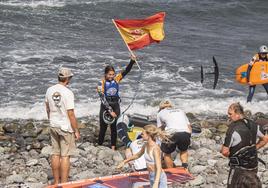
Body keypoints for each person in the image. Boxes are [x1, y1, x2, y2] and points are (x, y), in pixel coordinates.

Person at [45, 67, 80, 184]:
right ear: (68, 79)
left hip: (53, 124)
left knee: (55, 154)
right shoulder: (68, 93)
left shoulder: (49, 90)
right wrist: (76, 130)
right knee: (65, 156)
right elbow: (70, 113)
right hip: (65, 126)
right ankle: (64, 184)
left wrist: (51, 119)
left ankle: (56, 183)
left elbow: (47, 108)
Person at [221, 103, 268, 188]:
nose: (228, 116)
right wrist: (254, 148)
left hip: (238, 168)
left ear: (238, 114)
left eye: (230, 114)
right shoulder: (254, 125)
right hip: (253, 166)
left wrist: (227, 153)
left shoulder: (233, 128)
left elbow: (225, 151)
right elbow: (265, 139)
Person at [97, 55, 136, 150]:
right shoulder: (100, 83)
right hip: (105, 106)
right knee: (103, 128)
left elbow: (126, 71)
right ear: (105, 74)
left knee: (114, 128)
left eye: (113, 74)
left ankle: (113, 148)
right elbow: (102, 98)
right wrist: (110, 111)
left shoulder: (117, 79)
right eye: (109, 74)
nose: (111, 76)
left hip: (116, 105)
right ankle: (99, 146)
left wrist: (132, 61)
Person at [157, 100, 192, 169]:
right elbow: (189, 128)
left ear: (160, 107)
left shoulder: (160, 113)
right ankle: (185, 168)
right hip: (185, 132)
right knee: (183, 150)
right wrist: (188, 136)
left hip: (171, 133)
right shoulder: (180, 110)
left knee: (167, 153)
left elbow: (159, 129)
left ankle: (171, 171)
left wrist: (161, 140)